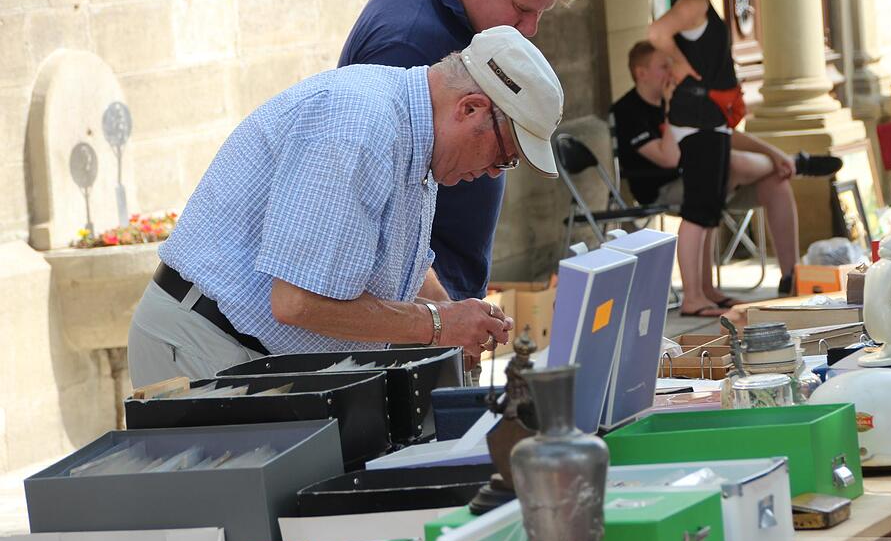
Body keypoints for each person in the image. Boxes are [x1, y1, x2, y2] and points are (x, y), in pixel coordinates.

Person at [128, 26, 564, 387]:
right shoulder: (362, 127)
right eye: (505, 155)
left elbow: (399, 264)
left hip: (244, 348)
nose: (495, 172)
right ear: (471, 109)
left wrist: (453, 317)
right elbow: (298, 301)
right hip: (205, 343)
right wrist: (439, 325)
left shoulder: (411, 130)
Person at [338, 0, 586, 304]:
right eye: (522, 9)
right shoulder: (408, 40)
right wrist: (442, 314)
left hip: (437, 290)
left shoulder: (445, 8)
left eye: (541, 15)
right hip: (415, 297)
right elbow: (376, 216)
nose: (530, 30)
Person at [642, 0, 841, 313]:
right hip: (697, 119)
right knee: (699, 211)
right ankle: (694, 297)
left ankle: (706, 290)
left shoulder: (698, 0)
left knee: (709, 207)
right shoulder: (695, 1)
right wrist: (682, 66)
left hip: (710, 118)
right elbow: (656, 32)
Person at [612, 41, 839, 315]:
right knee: (722, 164)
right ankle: (794, 163)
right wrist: (673, 109)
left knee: (774, 181)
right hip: (662, 186)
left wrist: (774, 153)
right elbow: (668, 158)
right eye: (663, 66)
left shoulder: (681, 97)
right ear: (641, 72)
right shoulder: (628, 110)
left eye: (672, 65)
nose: (671, 72)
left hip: (703, 178)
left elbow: (724, 134)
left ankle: (790, 276)